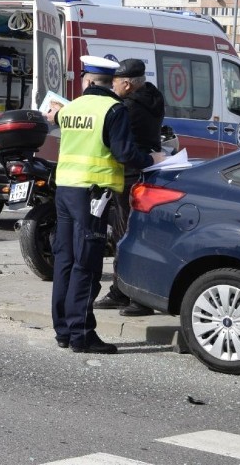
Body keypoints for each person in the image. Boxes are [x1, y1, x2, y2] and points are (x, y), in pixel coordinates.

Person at [51, 56, 165, 354]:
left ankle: (63, 330)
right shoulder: (113, 110)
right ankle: (83, 335)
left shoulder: (70, 109)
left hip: (65, 191)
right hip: (93, 194)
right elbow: (125, 153)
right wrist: (152, 160)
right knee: (86, 263)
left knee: (65, 261)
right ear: (109, 83)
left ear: (87, 82)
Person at [93, 59, 164, 317]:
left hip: (130, 175)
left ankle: (130, 294)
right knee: (137, 233)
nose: (112, 86)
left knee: (126, 235)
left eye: (114, 82)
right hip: (148, 174)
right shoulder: (153, 98)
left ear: (126, 83)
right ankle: (129, 292)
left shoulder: (128, 107)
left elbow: (120, 146)